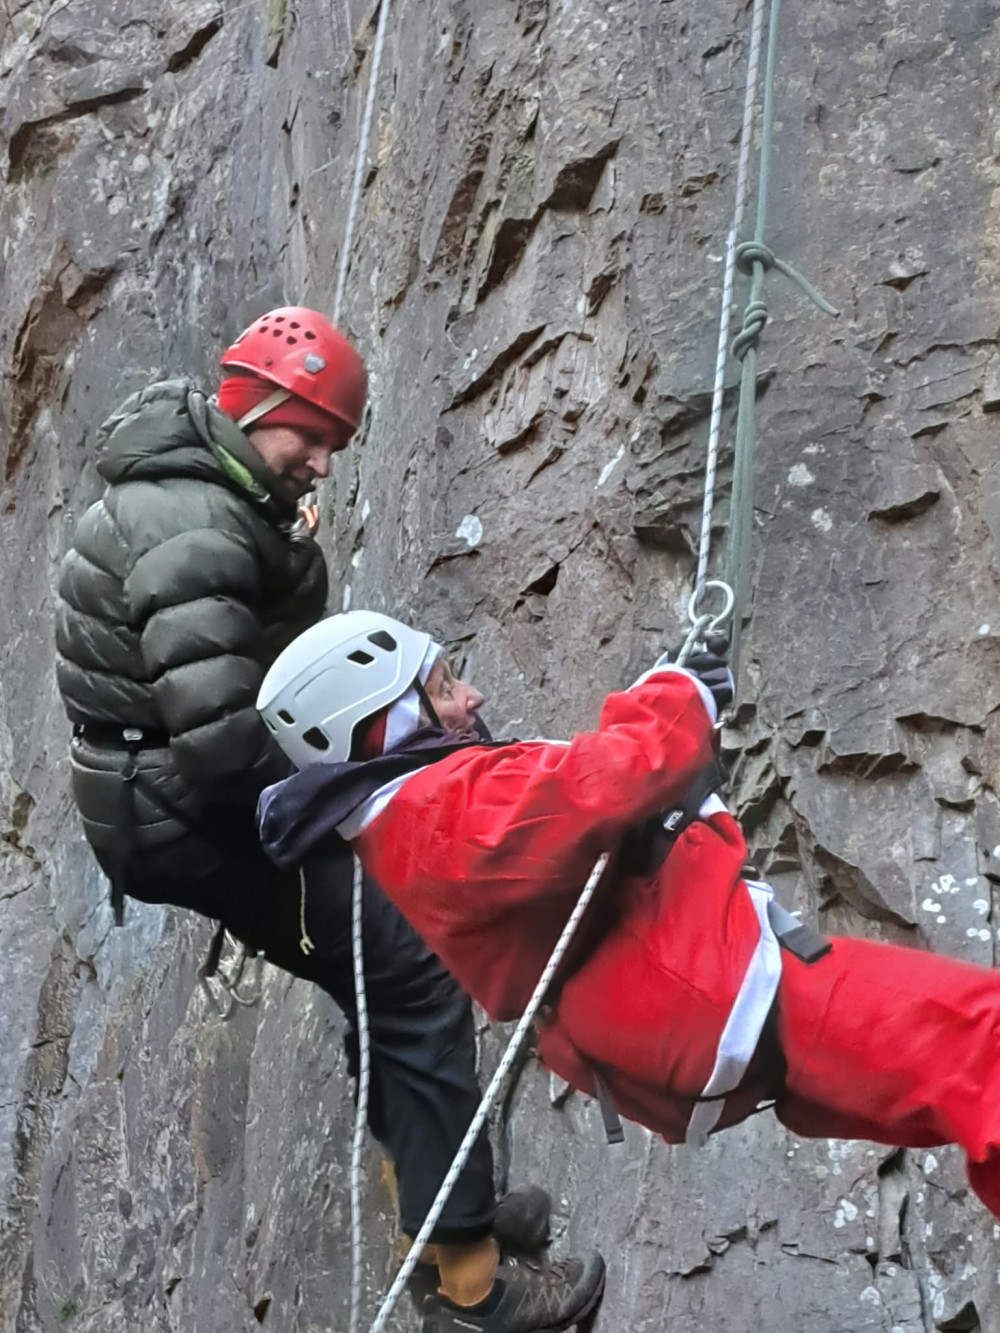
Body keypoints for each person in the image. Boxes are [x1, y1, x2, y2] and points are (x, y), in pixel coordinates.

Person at [52, 310, 564, 1318]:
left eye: (333, 444)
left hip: (163, 797)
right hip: (184, 808)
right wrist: (370, 781)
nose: (323, 463)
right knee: (408, 968)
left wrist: (280, 546)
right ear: (263, 408)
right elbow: (215, 741)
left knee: (378, 962)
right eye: (313, 438)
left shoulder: (216, 493)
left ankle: (436, 1204)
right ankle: (465, 1281)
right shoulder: (192, 522)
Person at [256, 609, 1000, 1259]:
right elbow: (595, 784)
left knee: (965, 1094)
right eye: (445, 685)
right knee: (983, 1047)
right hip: (722, 988)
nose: (470, 697)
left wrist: (670, 689)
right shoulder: (439, 813)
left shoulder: (409, 820)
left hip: (707, 1002)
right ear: (381, 719)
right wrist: (680, 695)